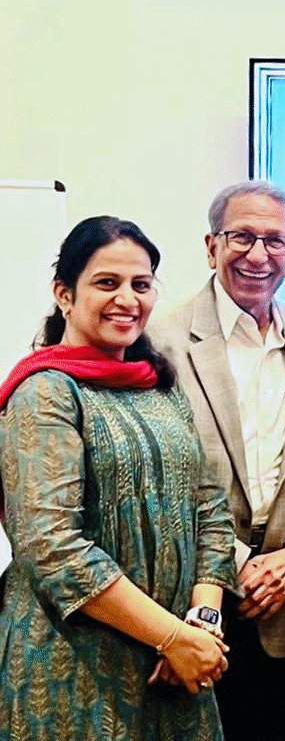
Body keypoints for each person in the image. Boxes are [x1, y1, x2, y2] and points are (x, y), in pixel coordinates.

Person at [0, 216, 237, 741]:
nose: (127, 299)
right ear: (65, 293)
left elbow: (210, 511)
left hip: (177, 670)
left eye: (141, 284)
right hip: (73, 670)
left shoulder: (160, 385)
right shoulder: (45, 394)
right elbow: (53, 546)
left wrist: (201, 623)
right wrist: (172, 635)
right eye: (107, 283)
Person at [152, 181, 285, 741]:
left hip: (278, 604)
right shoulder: (162, 339)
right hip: (180, 604)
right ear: (212, 246)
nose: (258, 255)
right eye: (242, 237)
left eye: (275, 241)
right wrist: (235, 562)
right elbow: (159, 478)